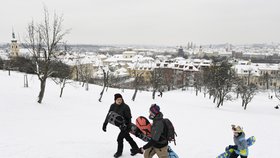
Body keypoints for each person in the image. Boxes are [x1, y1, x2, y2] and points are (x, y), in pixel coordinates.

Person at [102, 93, 141, 157]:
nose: (119, 101)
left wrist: (128, 127)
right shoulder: (112, 106)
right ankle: (135, 149)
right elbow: (109, 115)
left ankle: (119, 152)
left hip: (126, 125)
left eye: (120, 99)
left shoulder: (125, 107)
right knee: (127, 137)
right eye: (118, 99)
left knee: (119, 139)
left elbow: (129, 118)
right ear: (115, 100)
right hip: (120, 125)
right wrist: (105, 124)